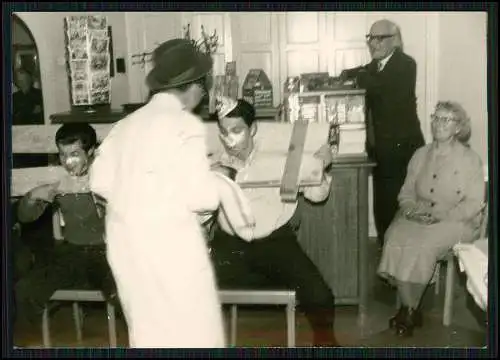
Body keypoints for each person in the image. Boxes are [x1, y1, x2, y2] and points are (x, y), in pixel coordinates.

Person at [89, 38, 226, 348]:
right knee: (195, 334)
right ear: (191, 86)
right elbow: (204, 198)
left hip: (127, 246)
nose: (203, 94)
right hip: (172, 246)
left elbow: (98, 181)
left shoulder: (125, 125)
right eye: (202, 86)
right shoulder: (184, 125)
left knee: (148, 333)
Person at [208, 96, 340, 347]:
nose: (229, 139)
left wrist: (320, 166)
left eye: (237, 130)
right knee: (188, 285)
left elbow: (317, 195)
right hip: (230, 245)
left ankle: (326, 344)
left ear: (253, 129)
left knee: (320, 295)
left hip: (275, 243)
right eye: (224, 132)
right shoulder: (216, 160)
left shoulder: (281, 158)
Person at [377, 101, 485, 337]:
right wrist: (410, 210)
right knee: (394, 235)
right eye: (436, 118)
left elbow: (474, 203)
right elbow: (406, 192)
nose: (439, 124)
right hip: (419, 213)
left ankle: (407, 310)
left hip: (456, 221)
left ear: (458, 128)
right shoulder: (420, 154)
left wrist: (441, 216)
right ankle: (411, 309)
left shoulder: (471, 160)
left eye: (446, 120)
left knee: (421, 244)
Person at [15, 123, 115, 324]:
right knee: (26, 288)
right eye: (62, 154)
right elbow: (25, 217)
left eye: (75, 154)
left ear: (91, 151)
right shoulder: (56, 181)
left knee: (124, 287)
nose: (67, 161)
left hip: (106, 252)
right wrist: (32, 197)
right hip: (71, 254)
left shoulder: (106, 176)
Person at [340, 19, 425, 247]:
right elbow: (360, 74)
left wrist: (357, 76)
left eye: (379, 38)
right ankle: (386, 251)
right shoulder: (375, 67)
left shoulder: (406, 64)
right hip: (380, 149)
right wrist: (344, 75)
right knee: (382, 203)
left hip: (402, 149)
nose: (373, 43)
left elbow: (380, 88)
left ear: (394, 40)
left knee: (398, 202)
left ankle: (400, 255)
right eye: (371, 38)